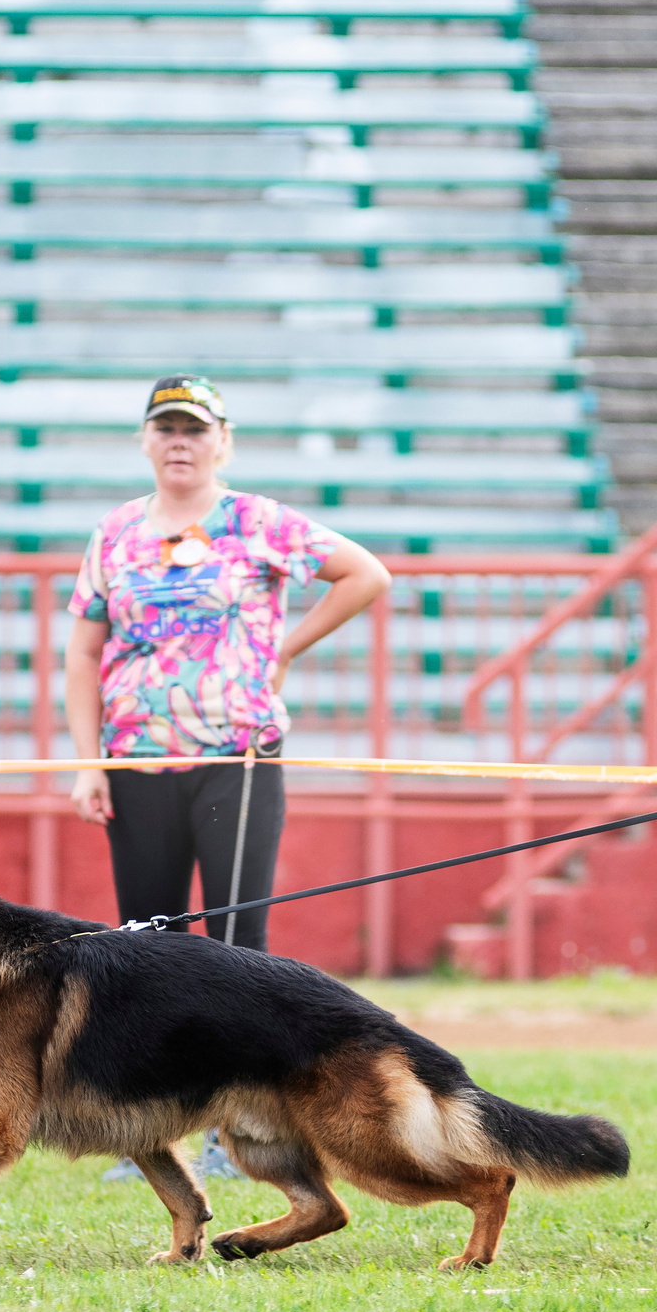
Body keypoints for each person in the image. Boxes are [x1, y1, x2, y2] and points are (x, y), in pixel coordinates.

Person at [67, 374, 392, 1180]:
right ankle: (152, 1133)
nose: (180, 441)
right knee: (144, 946)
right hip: (138, 756)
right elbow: (82, 650)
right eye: (166, 427)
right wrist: (88, 760)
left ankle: (238, 1128)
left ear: (223, 439)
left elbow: (366, 574)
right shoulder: (112, 535)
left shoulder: (259, 522)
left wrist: (284, 650)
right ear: (146, 440)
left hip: (235, 755)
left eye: (195, 428)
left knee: (240, 945)